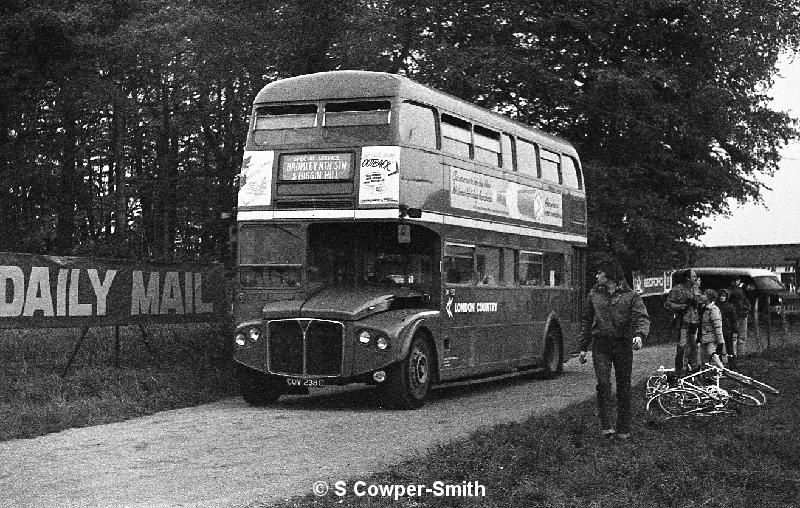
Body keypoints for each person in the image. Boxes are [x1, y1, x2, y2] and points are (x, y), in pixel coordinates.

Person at [578, 260, 650, 440]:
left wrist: (640, 335)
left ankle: (624, 428)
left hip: (623, 344)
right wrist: (582, 347)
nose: (596, 276)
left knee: (623, 386)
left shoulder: (631, 296)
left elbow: (642, 317)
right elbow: (587, 320)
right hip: (600, 344)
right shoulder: (594, 294)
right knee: (603, 385)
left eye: (599, 273)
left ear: (609, 275)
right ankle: (607, 427)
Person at [664, 269, 700, 373]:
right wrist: (681, 307)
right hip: (683, 322)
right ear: (688, 278)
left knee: (694, 345)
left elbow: (699, 301)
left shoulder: (695, 289)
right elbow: (667, 304)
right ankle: (679, 369)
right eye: (693, 277)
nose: (696, 278)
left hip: (694, 322)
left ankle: (694, 367)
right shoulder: (677, 290)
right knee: (682, 345)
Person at [698, 289, 725, 369]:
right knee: (704, 359)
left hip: (711, 338)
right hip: (703, 338)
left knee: (712, 354)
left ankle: (722, 368)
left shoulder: (713, 310)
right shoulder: (703, 308)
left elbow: (718, 326)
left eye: (704, 294)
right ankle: (708, 374)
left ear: (709, 297)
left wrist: (720, 341)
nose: (702, 296)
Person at [728, 277, 751, 356]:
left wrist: (747, 306)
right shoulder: (730, 291)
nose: (739, 282)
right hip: (736, 315)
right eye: (737, 280)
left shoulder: (740, 290)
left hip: (742, 314)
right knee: (735, 336)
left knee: (741, 336)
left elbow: (745, 301)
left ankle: (740, 353)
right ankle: (734, 354)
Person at [717, 289, 738, 368]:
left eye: (723, 296)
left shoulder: (730, 306)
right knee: (719, 348)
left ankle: (732, 365)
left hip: (728, 329)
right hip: (719, 329)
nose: (722, 298)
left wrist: (735, 330)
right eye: (720, 296)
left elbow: (734, 320)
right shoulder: (716, 306)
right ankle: (720, 365)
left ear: (726, 297)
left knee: (730, 348)